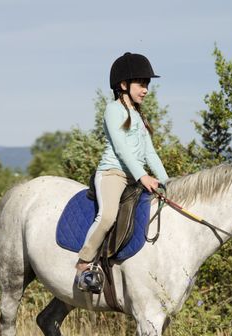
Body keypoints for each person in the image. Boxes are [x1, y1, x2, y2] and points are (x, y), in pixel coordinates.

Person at [75, 52, 169, 292]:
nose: (146, 89)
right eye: (141, 83)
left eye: (147, 84)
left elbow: (150, 154)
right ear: (123, 85)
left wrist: (169, 183)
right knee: (107, 217)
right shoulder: (113, 110)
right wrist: (143, 176)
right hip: (112, 174)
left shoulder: (138, 116)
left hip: (132, 177)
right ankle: (84, 265)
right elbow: (122, 149)